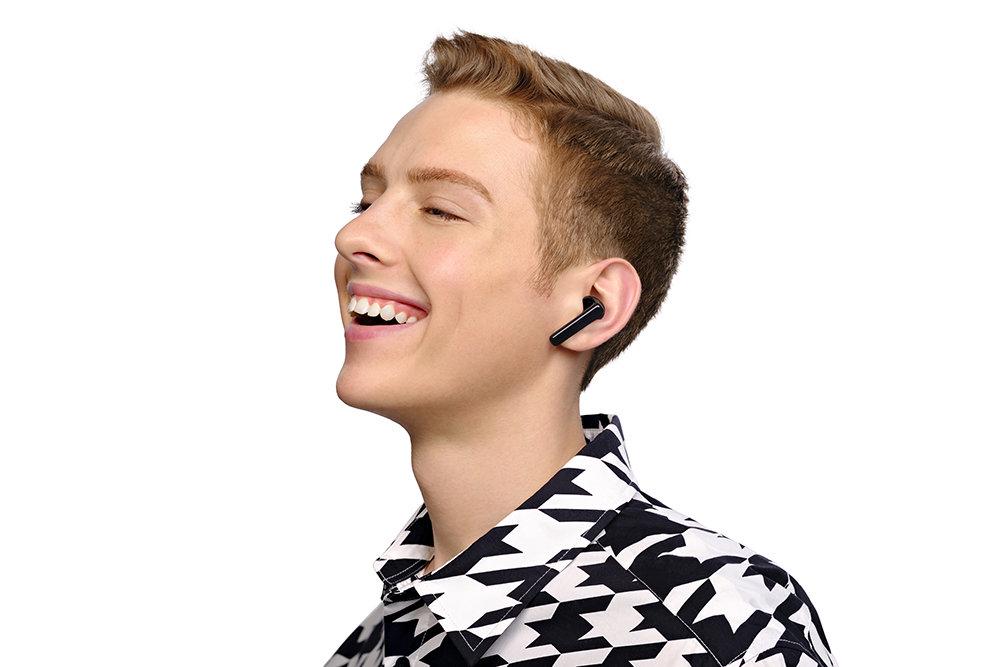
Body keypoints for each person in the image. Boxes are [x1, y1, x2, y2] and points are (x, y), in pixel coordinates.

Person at [327, 29, 838, 667]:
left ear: (591, 302)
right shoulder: (377, 637)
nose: (355, 234)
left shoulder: (709, 621)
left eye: (440, 211)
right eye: (366, 201)